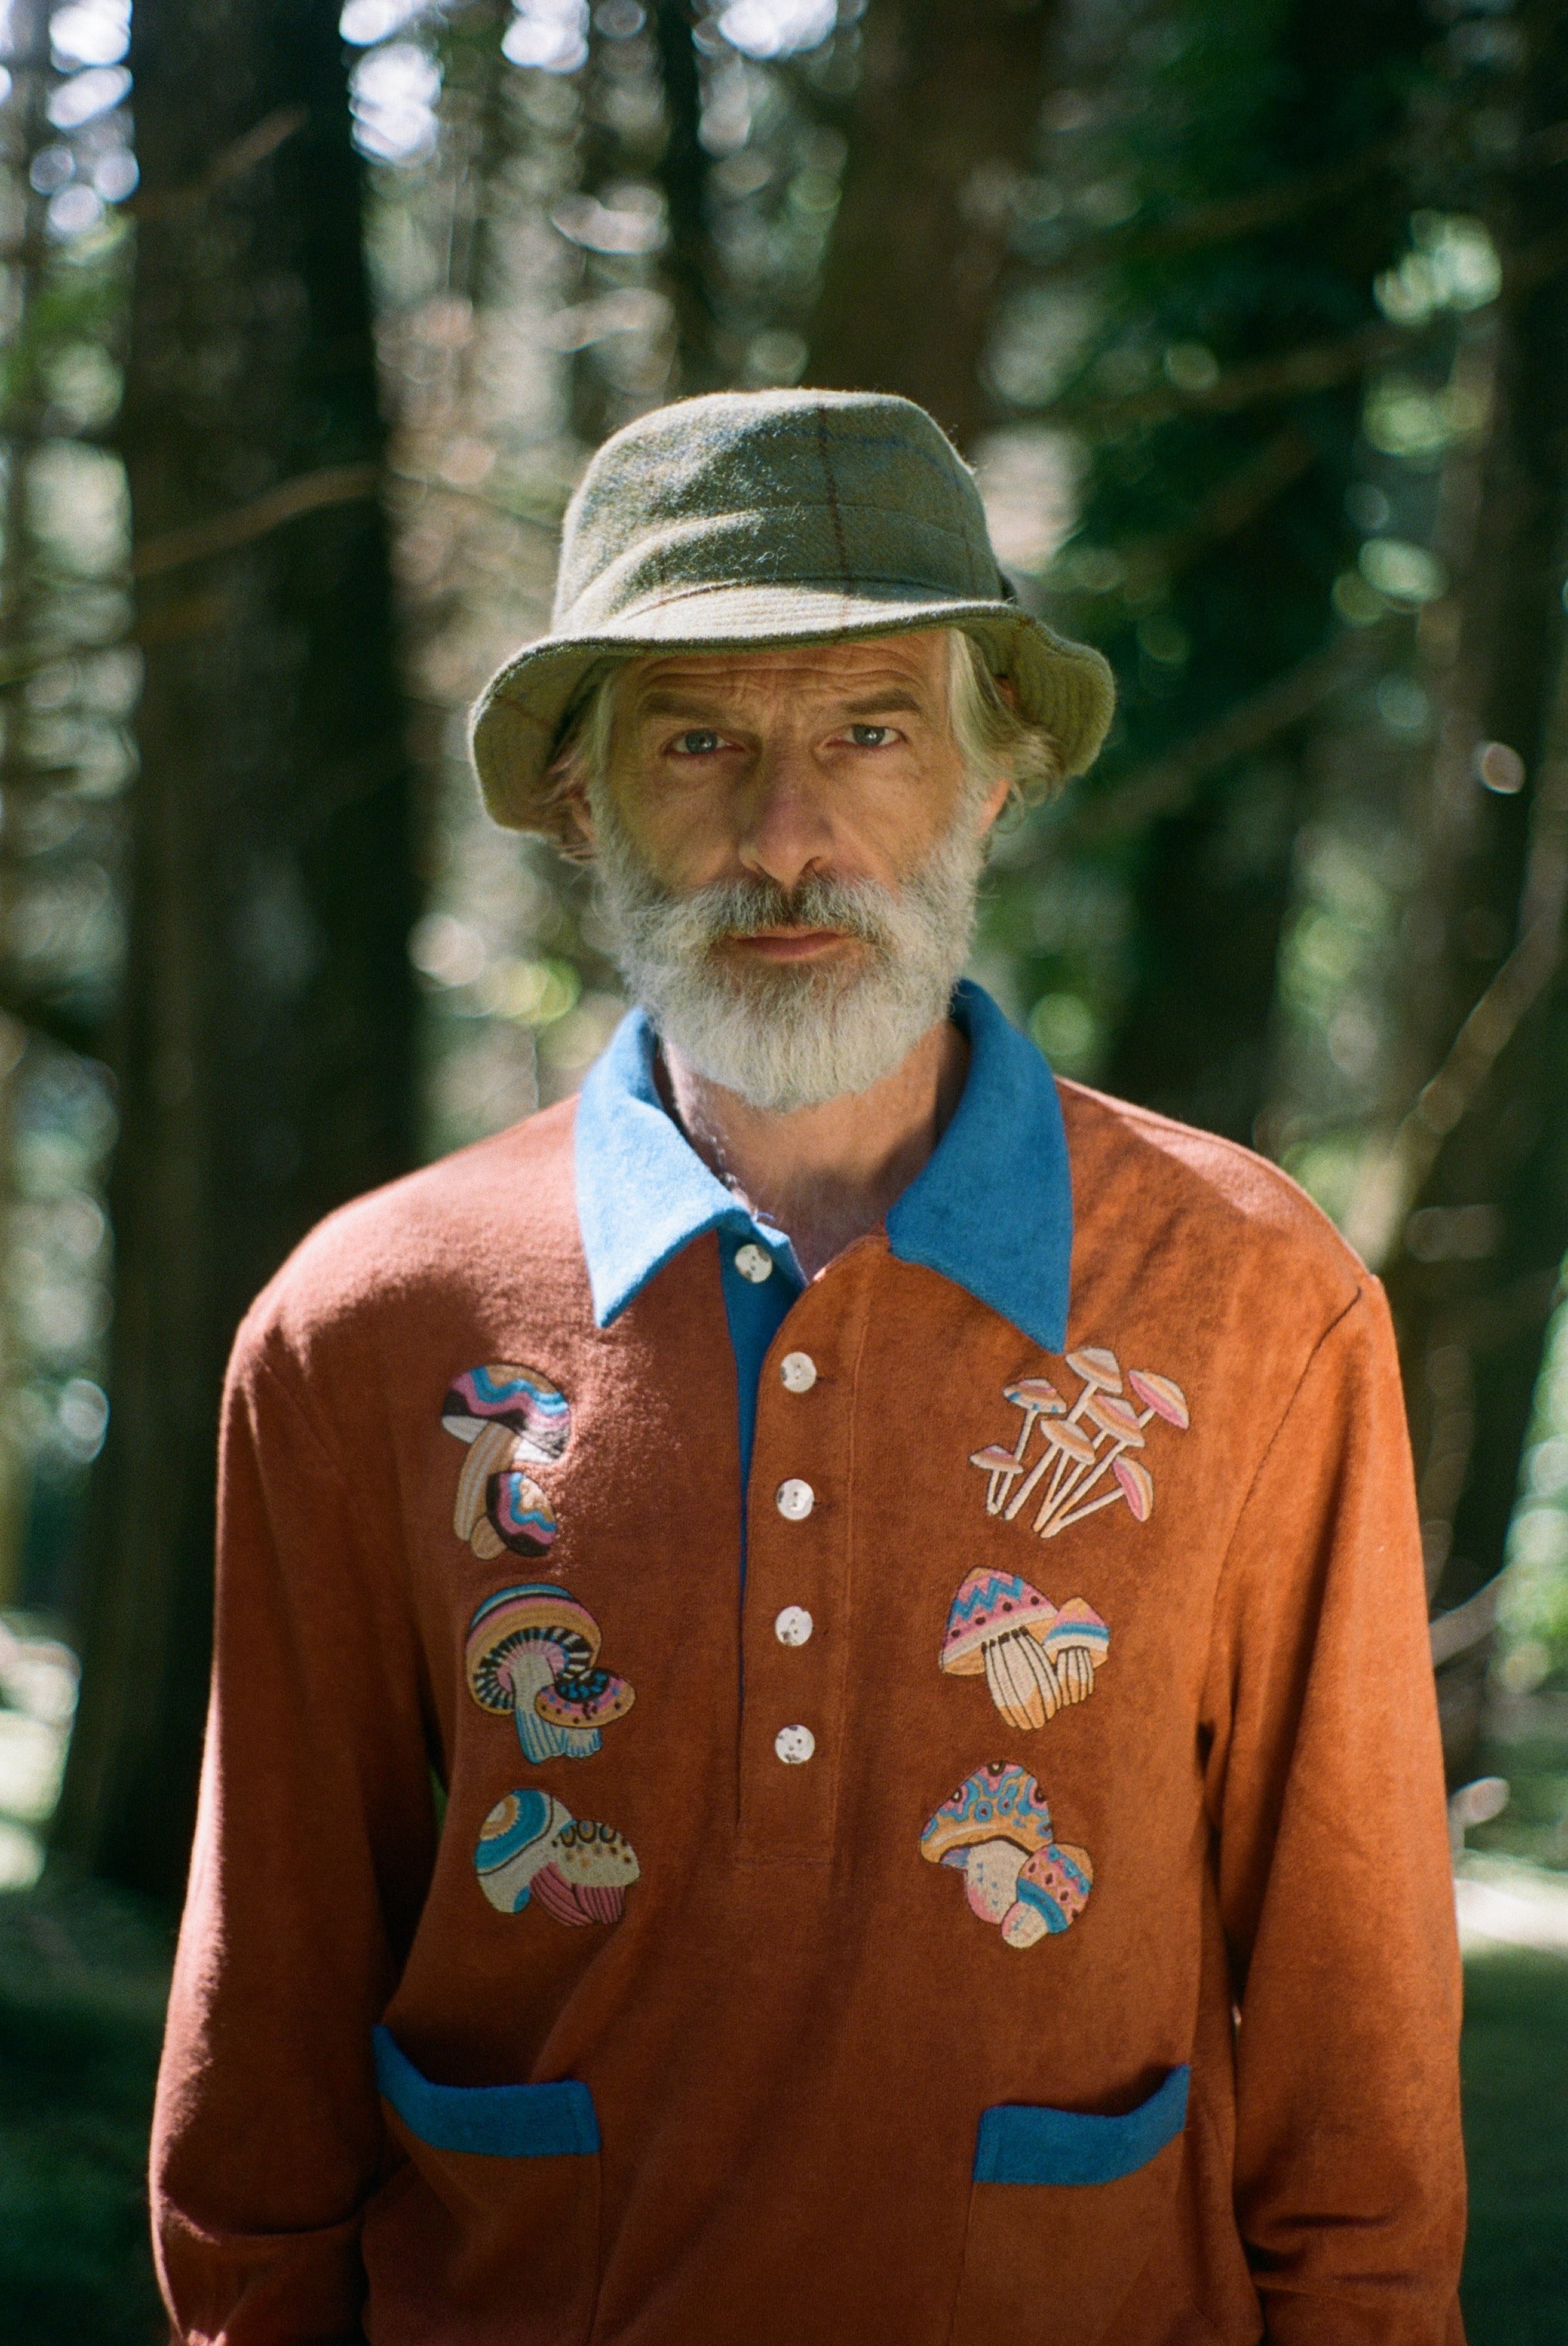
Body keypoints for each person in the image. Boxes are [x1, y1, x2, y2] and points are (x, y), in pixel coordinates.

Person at [152, 390, 1465, 2346]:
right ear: (584, 799)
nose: (787, 836)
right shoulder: (370, 1320)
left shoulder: (1244, 1291)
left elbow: (1352, 1965)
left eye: (870, 731)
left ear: (994, 776)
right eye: (699, 742)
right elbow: (266, 1999)